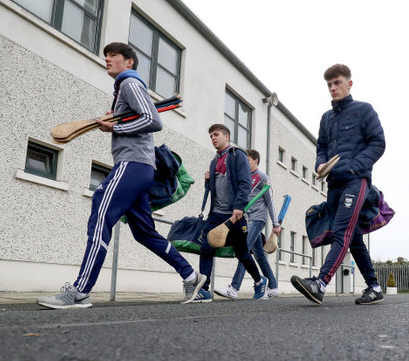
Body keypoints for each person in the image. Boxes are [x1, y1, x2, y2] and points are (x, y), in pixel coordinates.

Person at [37, 42, 205, 309]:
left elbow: (153, 120)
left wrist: (118, 128)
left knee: (102, 210)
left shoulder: (129, 82)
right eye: (106, 56)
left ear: (129, 62)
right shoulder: (125, 88)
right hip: (141, 167)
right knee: (144, 233)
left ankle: (80, 291)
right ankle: (190, 275)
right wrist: (115, 124)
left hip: (132, 164)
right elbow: (141, 119)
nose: (107, 59)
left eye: (113, 55)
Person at [291, 64, 386, 305]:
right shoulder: (326, 118)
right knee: (352, 237)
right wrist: (320, 165)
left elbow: (378, 143)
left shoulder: (364, 110)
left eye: (337, 83)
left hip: (357, 180)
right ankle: (374, 287)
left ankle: (320, 283)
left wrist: (355, 166)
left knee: (341, 230)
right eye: (329, 85)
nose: (333, 88)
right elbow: (321, 147)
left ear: (349, 84)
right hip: (333, 184)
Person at [190, 125, 268, 302]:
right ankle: (204, 289)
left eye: (216, 135)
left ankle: (259, 280)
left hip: (235, 215)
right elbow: (213, 190)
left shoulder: (237, 155)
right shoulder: (214, 161)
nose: (213, 138)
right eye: (211, 136)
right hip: (216, 214)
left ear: (227, 136)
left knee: (242, 253)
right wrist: (207, 182)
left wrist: (239, 206)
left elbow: (245, 182)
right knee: (206, 248)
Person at [214, 149, 282, 300]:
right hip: (245, 219)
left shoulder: (263, 178)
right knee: (259, 255)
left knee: (243, 250)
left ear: (256, 161)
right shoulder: (243, 177)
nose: (245, 163)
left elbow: (270, 202)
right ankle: (273, 286)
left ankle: (234, 288)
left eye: (248, 160)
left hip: (257, 219)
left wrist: (276, 223)